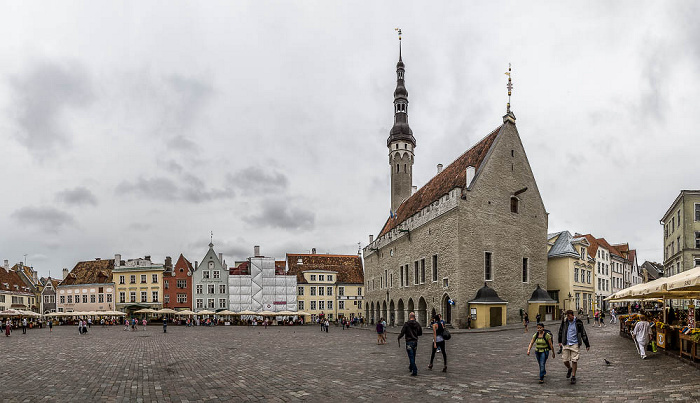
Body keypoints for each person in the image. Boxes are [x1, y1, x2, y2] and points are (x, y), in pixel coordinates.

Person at [558, 310, 590, 385]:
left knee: (574, 360)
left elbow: (583, 333)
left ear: (572, 315)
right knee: (565, 360)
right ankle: (569, 368)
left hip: (575, 343)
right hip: (566, 343)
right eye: (567, 316)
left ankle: (573, 376)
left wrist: (587, 344)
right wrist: (559, 341)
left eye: (569, 316)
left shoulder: (578, 322)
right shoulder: (565, 322)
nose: (568, 318)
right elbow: (561, 331)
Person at [398, 311, 423, 376]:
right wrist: (415, 334)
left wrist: (399, 337)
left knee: (411, 356)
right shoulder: (417, 324)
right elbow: (420, 333)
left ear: (409, 317)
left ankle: (414, 370)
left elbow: (402, 332)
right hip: (415, 342)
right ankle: (411, 366)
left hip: (409, 341)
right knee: (413, 355)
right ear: (414, 317)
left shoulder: (406, 324)